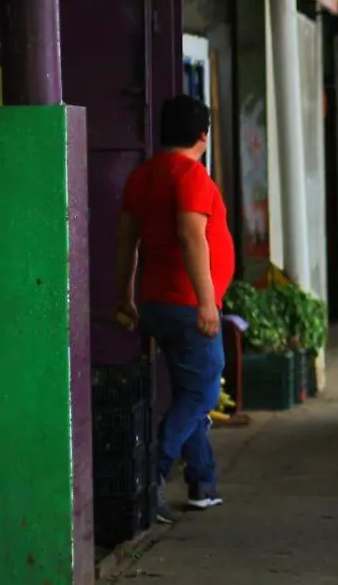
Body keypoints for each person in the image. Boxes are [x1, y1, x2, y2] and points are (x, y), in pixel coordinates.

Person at [114, 95, 235, 524]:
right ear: (203, 136)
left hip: (155, 303)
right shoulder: (192, 176)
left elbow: (127, 243)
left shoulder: (142, 176)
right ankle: (152, 475)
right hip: (187, 306)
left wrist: (123, 297)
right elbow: (191, 238)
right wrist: (207, 303)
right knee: (201, 393)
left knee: (190, 397)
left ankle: (203, 484)